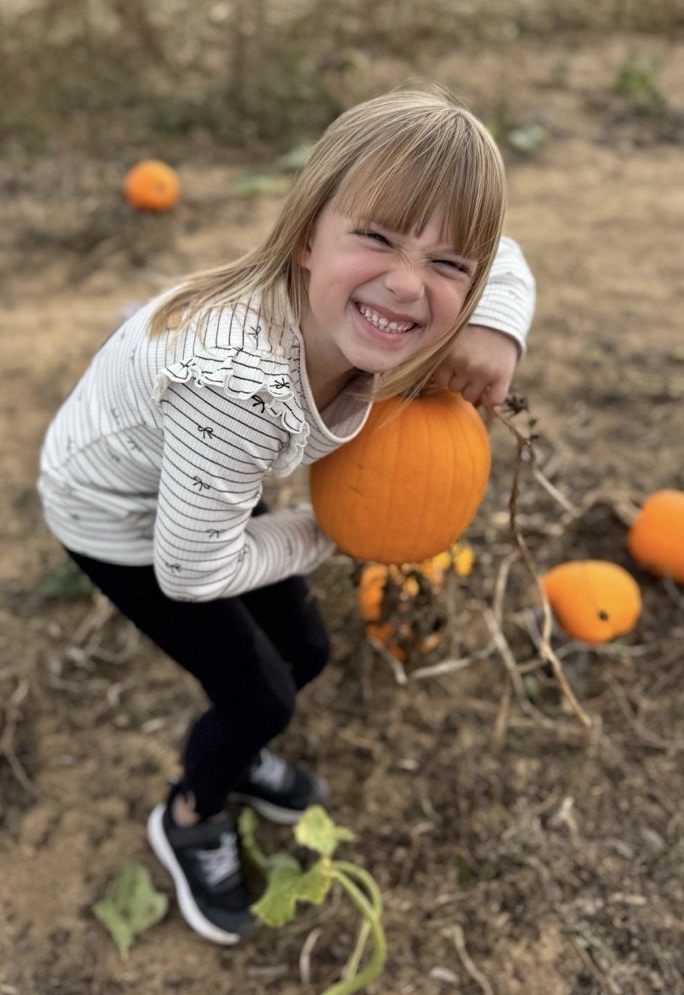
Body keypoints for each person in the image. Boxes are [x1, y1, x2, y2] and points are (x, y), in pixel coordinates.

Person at [37, 86, 536, 946]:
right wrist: (338, 532)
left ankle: (234, 753)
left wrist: (498, 328)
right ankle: (192, 813)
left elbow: (507, 254)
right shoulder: (239, 392)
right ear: (307, 233)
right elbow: (191, 569)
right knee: (260, 695)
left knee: (304, 651)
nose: (407, 283)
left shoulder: (345, 315)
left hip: (208, 478)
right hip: (121, 520)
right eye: (377, 237)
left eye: (449, 265)